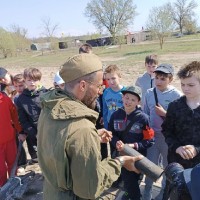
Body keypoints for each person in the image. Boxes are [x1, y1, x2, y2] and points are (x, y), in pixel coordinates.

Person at [37, 53, 143, 200]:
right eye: (99, 86)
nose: (100, 91)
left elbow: (61, 141)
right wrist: (120, 161)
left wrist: (92, 136)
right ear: (82, 85)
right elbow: (88, 189)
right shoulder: (82, 128)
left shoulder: (50, 106)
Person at [143, 64, 182, 200]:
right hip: (153, 137)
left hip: (168, 138)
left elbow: (181, 118)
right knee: (149, 166)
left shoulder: (176, 95)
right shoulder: (149, 93)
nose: (158, 81)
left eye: (163, 79)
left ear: (170, 80)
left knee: (167, 167)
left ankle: (163, 193)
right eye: (157, 78)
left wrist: (165, 114)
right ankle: (147, 191)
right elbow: (145, 113)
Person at [109, 86, 155, 200]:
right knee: (129, 180)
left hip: (137, 156)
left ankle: (130, 193)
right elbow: (111, 133)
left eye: (133, 100)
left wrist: (134, 145)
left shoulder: (143, 118)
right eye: (126, 97)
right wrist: (116, 142)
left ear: (138, 102)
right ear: (122, 97)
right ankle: (131, 194)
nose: (128, 101)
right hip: (122, 155)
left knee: (134, 179)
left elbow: (150, 141)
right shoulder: (116, 115)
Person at [162, 61, 200, 169]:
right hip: (177, 163)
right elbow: (167, 130)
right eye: (182, 84)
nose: (185, 88)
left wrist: (196, 149)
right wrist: (177, 147)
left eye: (190, 85)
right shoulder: (174, 106)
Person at [15, 68, 47, 164]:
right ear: (24, 80)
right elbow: (23, 119)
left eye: (35, 80)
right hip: (32, 133)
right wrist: (33, 132)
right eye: (29, 80)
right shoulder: (21, 99)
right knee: (37, 158)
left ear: (39, 80)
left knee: (49, 155)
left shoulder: (46, 94)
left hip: (47, 131)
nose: (32, 82)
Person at [0, 92, 24, 186]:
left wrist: (20, 131)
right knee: (1, 168)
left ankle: (13, 184)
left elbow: (15, 117)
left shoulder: (6, 100)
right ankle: (2, 187)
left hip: (9, 139)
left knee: (13, 163)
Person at [102, 64, 125, 130]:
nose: (111, 82)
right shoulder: (106, 92)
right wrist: (106, 126)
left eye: (113, 78)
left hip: (122, 124)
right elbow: (105, 110)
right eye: (108, 79)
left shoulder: (126, 93)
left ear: (119, 76)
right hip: (110, 123)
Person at [13, 73, 27, 167]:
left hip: (32, 125)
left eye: (21, 85)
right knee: (19, 144)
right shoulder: (16, 98)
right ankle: (22, 163)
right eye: (16, 86)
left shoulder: (30, 95)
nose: (19, 88)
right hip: (21, 125)